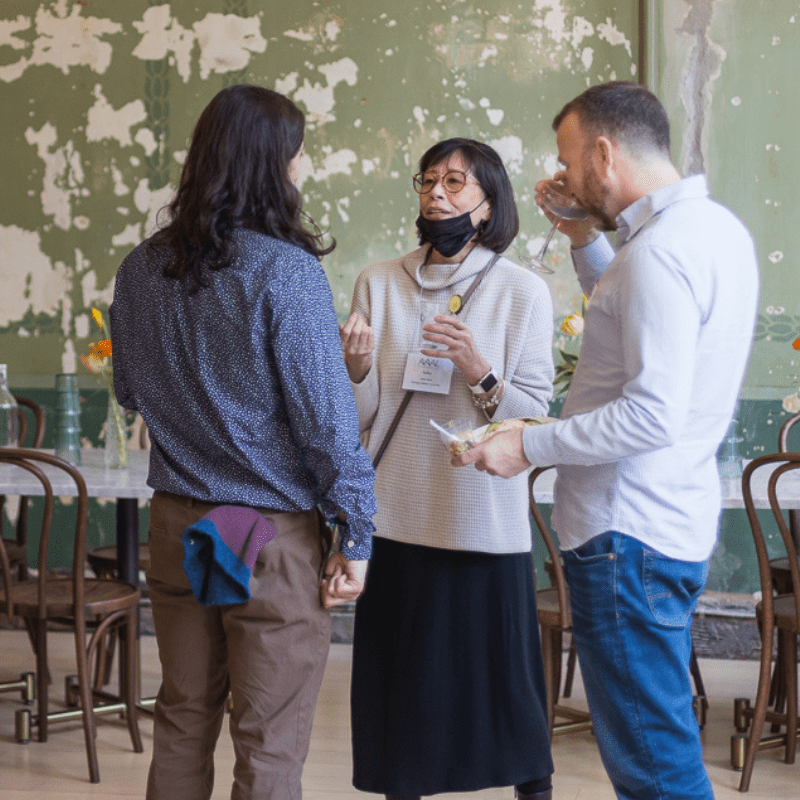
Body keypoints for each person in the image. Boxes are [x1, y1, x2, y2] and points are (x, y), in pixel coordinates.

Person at [454, 82, 760, 800]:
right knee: (658, 741)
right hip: (665, 526)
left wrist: (526, 442)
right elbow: (628, 323)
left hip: (627, 537)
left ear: (603, 152)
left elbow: (651, 414)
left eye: (568, 158)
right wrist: (584, 240)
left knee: (653, 766)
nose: (563, 176)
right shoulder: (706, 233)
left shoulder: (660, 254)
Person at [109, 84, 377, 800]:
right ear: (273, 165)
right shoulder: (286, 272)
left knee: (182, 714)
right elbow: (326, 425)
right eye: (296, 157)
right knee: (270, 738)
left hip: (178, 523)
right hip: (267, 534)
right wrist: (357, 534)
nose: (301, 170)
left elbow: (130, 393)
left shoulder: (140, 267)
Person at [339, 138, 555, 800]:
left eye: (455, 183)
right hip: (397, 512)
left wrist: (479, 369)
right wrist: (354, 370)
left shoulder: (523, 291)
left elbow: (534, 417)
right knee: (402, 684)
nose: (437, 193)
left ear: (487, 205)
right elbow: (364, 418)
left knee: (504, 684)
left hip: (481, 518)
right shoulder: (379, 281)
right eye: (428, 180)